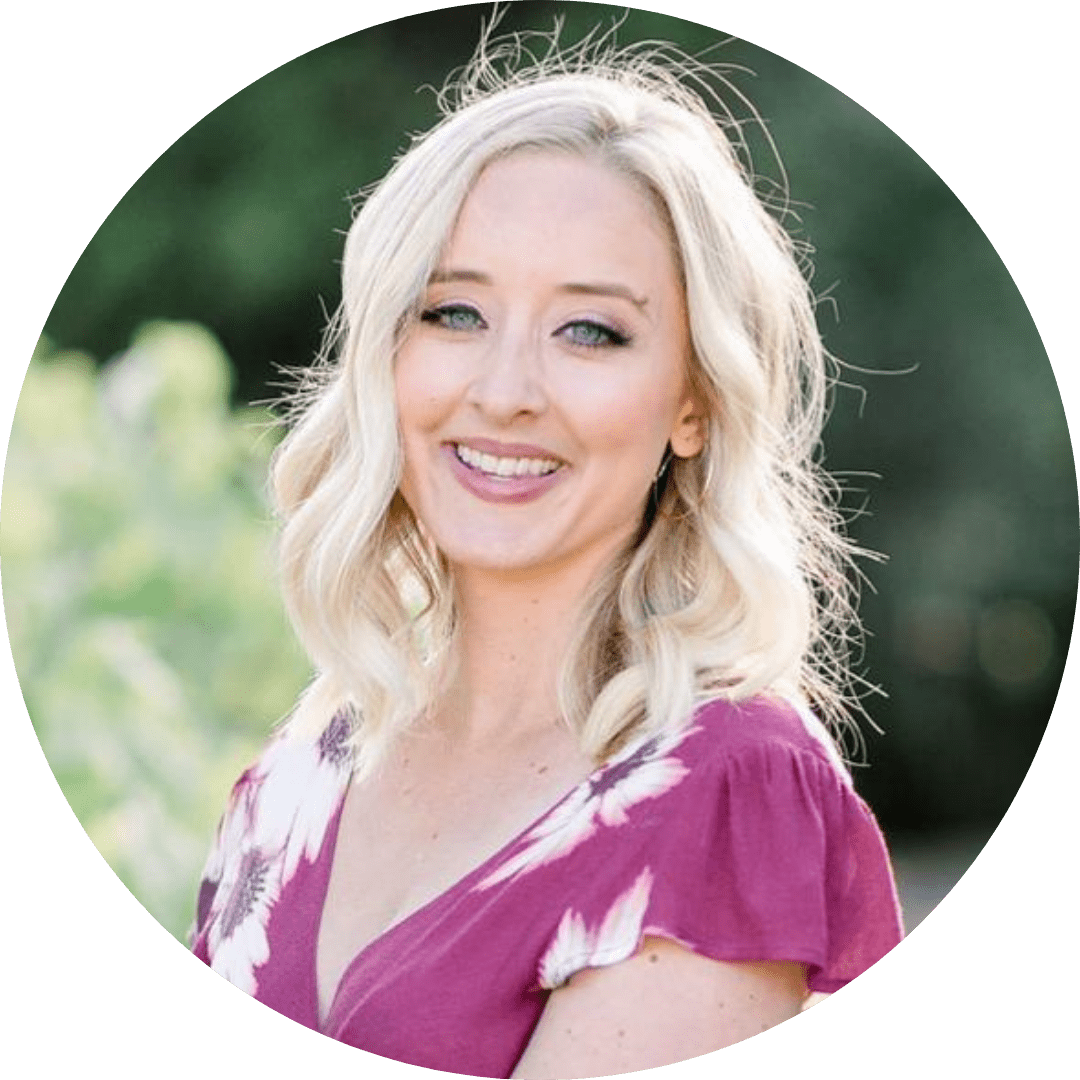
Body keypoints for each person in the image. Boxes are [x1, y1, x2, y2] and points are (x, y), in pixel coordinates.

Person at [191, 24, 903, 1078]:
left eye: (590, 332)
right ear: (387, 355)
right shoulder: (304, 768)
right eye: (454, 313)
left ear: (696, 404)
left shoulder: (725, 795)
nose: (506, 390)